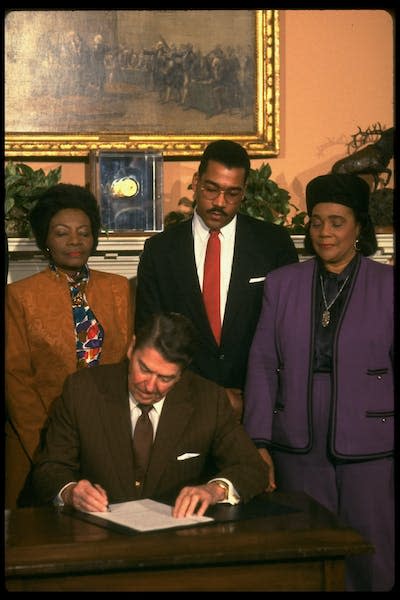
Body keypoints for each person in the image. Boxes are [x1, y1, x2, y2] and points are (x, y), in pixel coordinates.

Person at [243, 173, 394, 591]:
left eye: (337, 221)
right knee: (306, 556)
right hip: (296, 440)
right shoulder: (282, 283)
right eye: (316, 221)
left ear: (360, 227)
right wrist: (258, 441)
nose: (324, 232)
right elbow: (261, 363)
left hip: (373, 446)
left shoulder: (388, 285)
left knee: (373, 556)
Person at [29, 312, 268, 517]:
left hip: (174, 544)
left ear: (181, 374)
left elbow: (253, 468)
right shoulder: (82, 390)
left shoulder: (208, 399)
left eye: (165, 378)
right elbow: (49, 468)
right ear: (132, 348)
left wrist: (214, 490)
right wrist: (71, 492)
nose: (150, 386)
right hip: (95, 538)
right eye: (144, 369)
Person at [135, 140, 298, 420]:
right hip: (182, 405)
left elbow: (289, 332)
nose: (220, 202)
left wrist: (256, 398)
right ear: (196, 182)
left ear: (244, 192)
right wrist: (209, 397)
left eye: (232, 193)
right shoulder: (160, 250)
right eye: (212, 189)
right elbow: (150, 334)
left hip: (257, 406)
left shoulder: (274, 245)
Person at [5, 183, 134, 509]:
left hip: (107, 437)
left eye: (83, 232)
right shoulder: (21, 296)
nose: (74, 241)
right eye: (62, 233)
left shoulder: (118, 288)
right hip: (37, 439)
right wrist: (50, 447)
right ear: (46, 240)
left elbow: (128, 364)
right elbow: (15, 378)